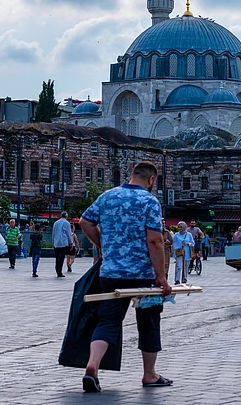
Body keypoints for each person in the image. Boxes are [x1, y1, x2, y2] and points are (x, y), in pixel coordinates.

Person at [79, 161, 172, 393]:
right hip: (143, 275)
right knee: (149, 322)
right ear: (151, 180)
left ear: (131, 175)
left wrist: (104, 246)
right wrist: (161, 276)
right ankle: (149, 375)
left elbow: (84, 222)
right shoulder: (149, 201)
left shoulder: (107, 196)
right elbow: (154, 240)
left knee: (107, 321)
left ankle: (92, 366)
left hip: (110, 272)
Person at [53, 211, 73, 278]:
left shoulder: (56, 223)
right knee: (61, 258)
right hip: (63, 243)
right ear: (66, 216)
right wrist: (71, 242)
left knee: (57, 258)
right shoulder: (66, 223)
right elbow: (69, 234)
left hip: (56, 243)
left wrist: (53, 242)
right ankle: (59, 272)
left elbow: (53, 233)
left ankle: (57, 270)